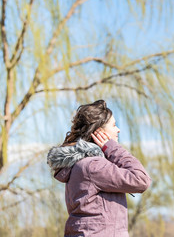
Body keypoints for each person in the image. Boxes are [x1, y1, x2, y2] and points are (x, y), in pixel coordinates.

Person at [47, 100, 151, 237]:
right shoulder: (93, 166)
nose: (118, 129)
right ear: (99, 132)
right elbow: (141, 180)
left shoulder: (80, 164)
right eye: (114, 125)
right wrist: (113, 148)